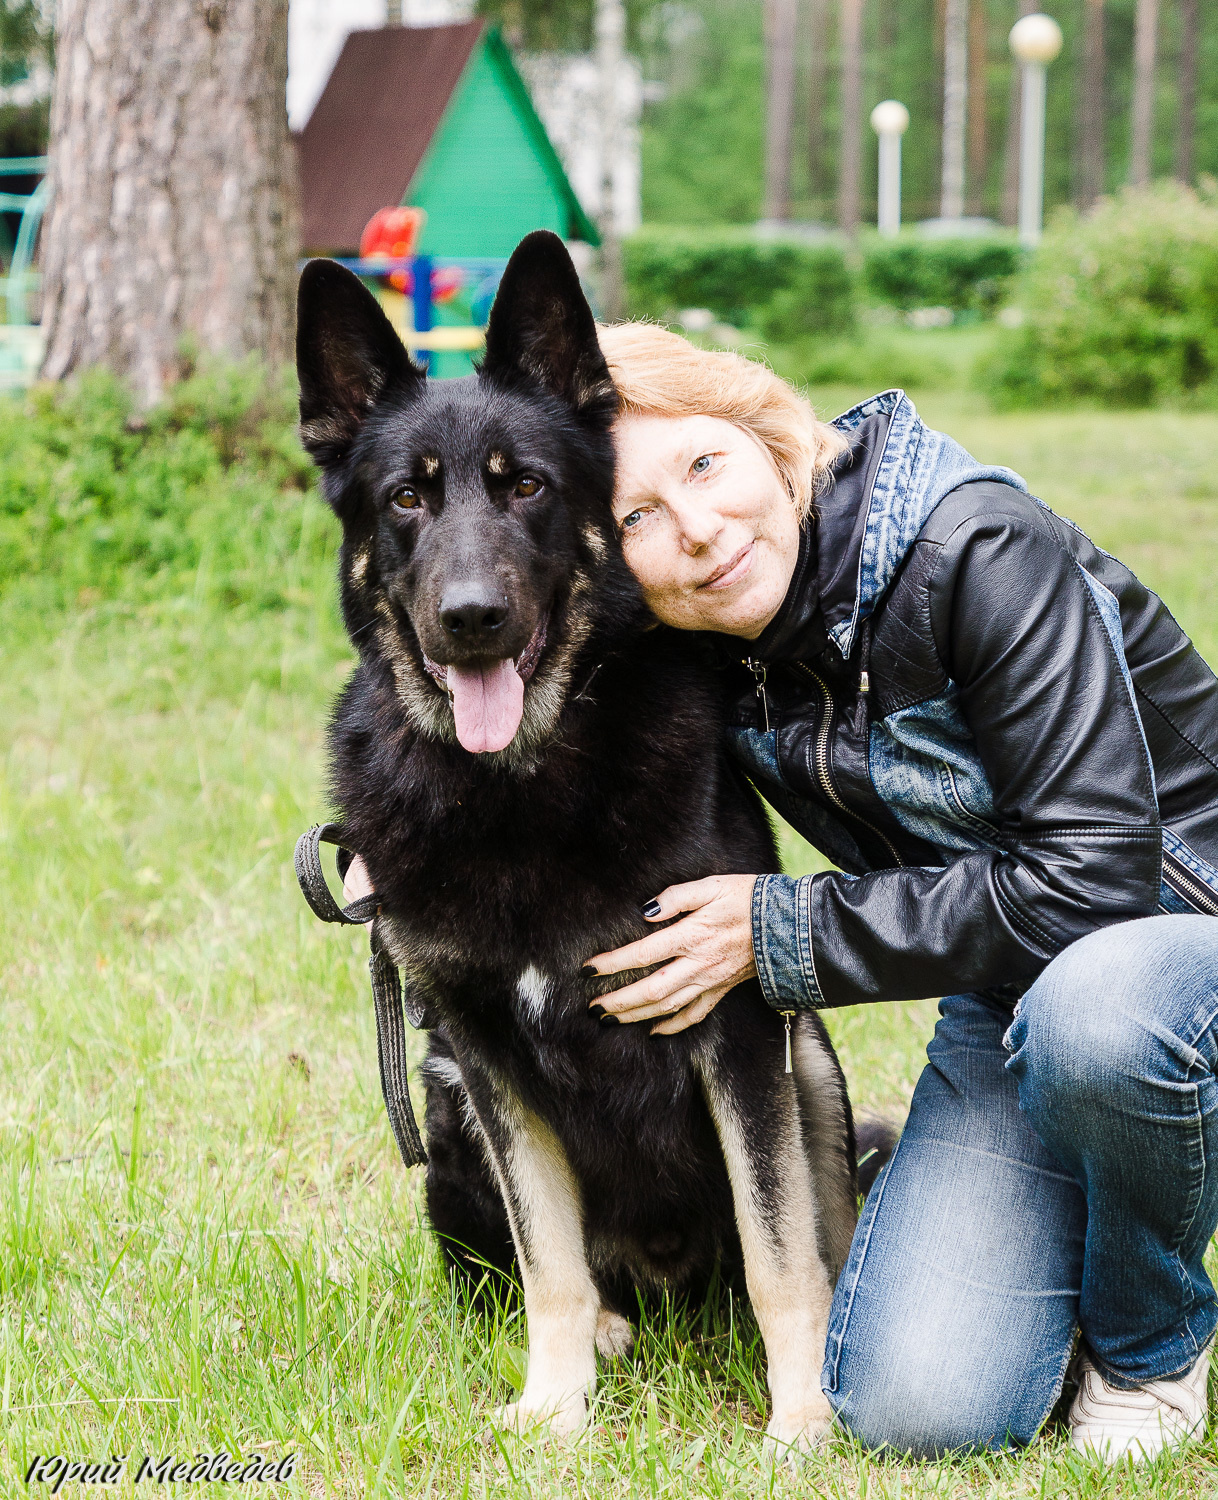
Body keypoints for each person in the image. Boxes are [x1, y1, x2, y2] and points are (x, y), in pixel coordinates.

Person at [344, 324, 1218, 1462]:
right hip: (1006, 993)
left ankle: (1150, 1344)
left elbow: (1095, 873)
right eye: (644, 515)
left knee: (1096, 1019)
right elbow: (530, 703)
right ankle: (1002, 1195)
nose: (696, 531)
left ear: (770, 430)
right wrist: (414, 835)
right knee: (920, 1406)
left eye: (705, 466)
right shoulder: (715, 627)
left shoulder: (977, 549)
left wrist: (785, 925)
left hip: (1167, 940)